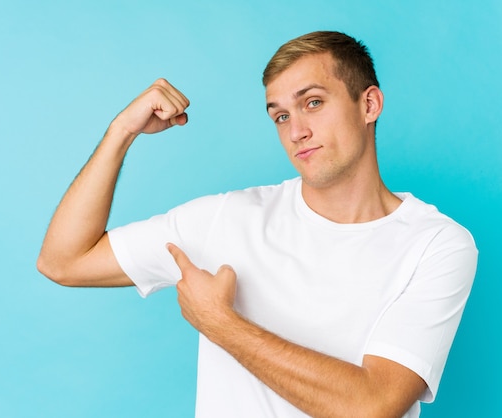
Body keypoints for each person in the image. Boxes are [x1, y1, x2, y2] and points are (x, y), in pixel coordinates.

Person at [37, 31, 478, 418]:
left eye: (313, 103)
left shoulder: (437, 245)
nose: (296, 131)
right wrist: (122, 132)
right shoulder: (227, 218)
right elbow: (64, 260)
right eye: (281, 115)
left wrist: (219, 322)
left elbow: (372, 406)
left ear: (369, 104)